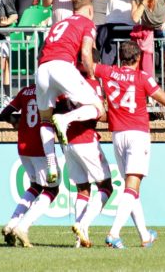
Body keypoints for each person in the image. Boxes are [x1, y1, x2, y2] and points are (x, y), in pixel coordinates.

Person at [95, 40, 165, 248]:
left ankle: (144, 235)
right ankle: (114, 233)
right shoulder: (142, 77)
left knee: (131, 189)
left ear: (121, 57)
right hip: (137, 134)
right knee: (132, 187)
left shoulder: (108, 72)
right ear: (138, 58)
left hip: (117, 136)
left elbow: (90, 65)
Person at [35, 0, 106, 184]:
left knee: (45, 119)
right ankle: (64, 119)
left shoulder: (59, 24)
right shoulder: (87, 23)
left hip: (43, 68)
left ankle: (51, 163)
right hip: (63, 66)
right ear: (90, 10)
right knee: (97, 107)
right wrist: (91, 75)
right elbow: (86, 53)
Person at [55, 52, 113, 249]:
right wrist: (114, 115)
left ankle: (80, 238)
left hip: (67, 142)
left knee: (82, 189)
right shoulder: (91, 84)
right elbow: (98, 114)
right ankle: (83, 224)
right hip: (86, 139)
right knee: (106, 186)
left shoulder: (66, 84)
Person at [0, 84, 59, 248]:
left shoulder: (25, 91)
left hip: (23, 147)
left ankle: (11, 224)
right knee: (52, 190)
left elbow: (5, 113)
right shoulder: (51, 91)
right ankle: (23, 227)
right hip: (40, 147)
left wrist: (15, 122)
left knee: (35, 186)